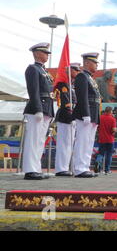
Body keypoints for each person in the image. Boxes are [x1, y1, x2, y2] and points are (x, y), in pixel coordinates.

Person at [22, 43, 55, 180]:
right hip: (37, 108)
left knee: (40, 141)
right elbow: (33, 91)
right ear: (36, 53)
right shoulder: (32, 69)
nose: (47, 55)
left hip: (46, 107)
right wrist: (38, 109)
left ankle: (36, 168)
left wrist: (50, 111)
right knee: (33, 140)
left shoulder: (44, 71)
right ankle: (30, 170)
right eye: (44, 52)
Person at [72, 53, 101, 178]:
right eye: (94, 62)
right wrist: (85, 113)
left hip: (93, 113)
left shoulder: (90, 78)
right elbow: (82, 97)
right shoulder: (82, 77)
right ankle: (79, 168)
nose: (96, 65)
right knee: (82, 141)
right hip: (86, 113)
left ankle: (85, 166)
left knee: (89, 142)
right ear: (87, 63)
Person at [54, 63, 80, 177]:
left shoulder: (72, 85)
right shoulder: (63, 84)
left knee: (69, 144)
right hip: (65, 116)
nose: (77, 73)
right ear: (70, 71)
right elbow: (65, 102)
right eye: (76, 71)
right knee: (63, 143)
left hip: (72, 117)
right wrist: (71, 113)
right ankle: (61, 168)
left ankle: (66, 167)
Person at [94, 106, 117, 174]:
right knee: (109, 155)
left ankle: (98, 164)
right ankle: (107, 170)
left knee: (101, 154)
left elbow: (97, 128)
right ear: (110, 111)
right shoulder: (113, 119)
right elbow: (113, 130)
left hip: (102, 139)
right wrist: (114, 132)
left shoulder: (100, 118)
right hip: (110, 139)